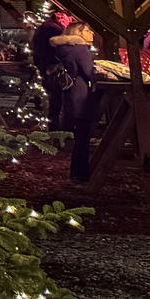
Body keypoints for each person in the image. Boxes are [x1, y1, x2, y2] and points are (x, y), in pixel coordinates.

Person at [52, 20, 102, 183]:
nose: (91, 34)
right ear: (78, 33)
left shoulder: (63, 49)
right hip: (82, 93)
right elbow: (89, 73)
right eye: (88, 30)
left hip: (70, 92)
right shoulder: (81, 49)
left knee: (80, 134)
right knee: (84, 134)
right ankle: (80, 172)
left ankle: (78, 171)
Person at [31, 8, 73, 130]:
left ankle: (55, 129)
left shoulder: (45, 27)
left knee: (54, 101)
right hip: (54, 68)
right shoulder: (54, 29)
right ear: (60, 16)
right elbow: (60, 50)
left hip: (47, 68)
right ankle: (61, 131)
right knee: (59, 101)